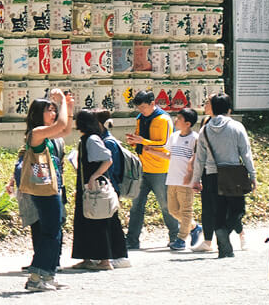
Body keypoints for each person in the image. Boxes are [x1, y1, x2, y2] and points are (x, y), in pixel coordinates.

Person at [16, 93, 72, 291]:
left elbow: (65, 130)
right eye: (49, 110)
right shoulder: (36, 132)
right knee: (50, 231)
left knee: (54, 230)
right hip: (43, 188)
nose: (54, 113)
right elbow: (60, 126)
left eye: (54, 110)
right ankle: (36, 276)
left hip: (49, 185)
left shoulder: (44, 134)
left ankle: (47, 274)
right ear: (39, 113)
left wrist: (69, 108)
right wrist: (63, 102)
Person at [193, 93, 254, 257]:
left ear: (213, 108)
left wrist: (196, 179)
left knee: (219, 211)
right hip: (234, 174)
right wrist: (252, 175)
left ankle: (224, 250)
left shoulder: (205, 130)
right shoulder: (236, 127)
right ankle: (224, 230)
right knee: (238, 209)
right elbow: (246, 153)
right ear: (228, 109)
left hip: (212, 174)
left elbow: (200, 158)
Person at [70, 109, 129, 270]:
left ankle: (104, 260)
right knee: (85, 221)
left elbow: (107, 160)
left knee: (99, 221)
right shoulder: (86, 139)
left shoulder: (92, 139)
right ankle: (88, 257)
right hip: (86, 187)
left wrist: (94, 176)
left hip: (95, 188)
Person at [123, 89, 174, 248]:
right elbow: (141, 139)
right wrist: (134, 141)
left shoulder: (164, 119)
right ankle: (132, 240)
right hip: (142, 168)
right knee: (136, 206)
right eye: (139, 108)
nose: (141, 110)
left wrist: (143, 141)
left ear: (153, 104)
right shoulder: (140, 118)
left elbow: (165, 143)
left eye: (144, 107)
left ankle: (175, 237)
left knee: (166, 205)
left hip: (160, 168)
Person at [164, 106, 202, 252]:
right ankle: (194, 227)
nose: (176, 120)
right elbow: (169, 156)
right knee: (173, 210)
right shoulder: (174, 136)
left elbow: (198, 159)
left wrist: (193, 176)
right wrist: (151, 151)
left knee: (186, 211)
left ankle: (181, 239)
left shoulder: (195, 138)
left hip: (186, 181)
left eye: (179, 118)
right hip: (172, 178)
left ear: (188, 123)